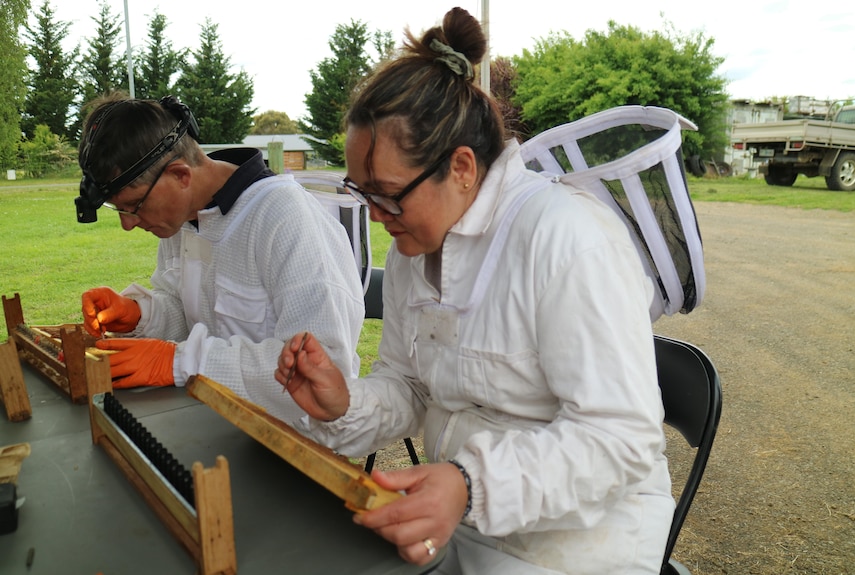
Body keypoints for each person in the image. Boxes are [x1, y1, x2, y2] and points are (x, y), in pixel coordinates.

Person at [275, 7, 674, 574]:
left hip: (578, 547)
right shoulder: (415, 245)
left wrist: (469, 483)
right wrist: (345, 403)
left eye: (387, 194)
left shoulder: (566, 239)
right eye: (361, 192)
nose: (375, 214)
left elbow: (621, 440)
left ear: (462, 167)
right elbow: (413, 387)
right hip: (462, 525)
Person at [76, 93, 365, 425]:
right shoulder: (181, 221)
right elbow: (193, 320)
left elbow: (323, 366)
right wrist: (140, 315)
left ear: (180, 175)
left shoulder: (285, 217)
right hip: (211, 421)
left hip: (296, 444)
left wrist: (178, 361)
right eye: (119, 210)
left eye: (135, 205)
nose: (128, 224)